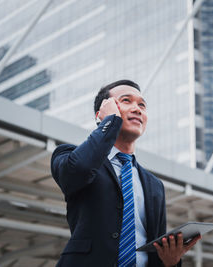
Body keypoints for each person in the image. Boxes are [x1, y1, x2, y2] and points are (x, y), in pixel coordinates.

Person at [51, 80, 200, 267]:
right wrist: (109, 123)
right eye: (126, 100)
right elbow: (78, 171)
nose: (137, 109)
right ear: (103, 113)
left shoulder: (154, 185)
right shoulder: (68, 155)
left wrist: (171, 262)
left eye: (142, 105)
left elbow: (156, 250)